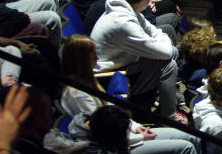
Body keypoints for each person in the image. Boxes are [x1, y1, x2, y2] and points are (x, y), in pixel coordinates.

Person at [62, 35, 199, 154]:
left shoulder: (90, 81)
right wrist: (141, 137)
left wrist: (137, 127)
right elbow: (104, 133)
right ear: (81, 60)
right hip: (117, 146)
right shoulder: (76, 94)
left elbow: (113, 113)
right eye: (93, 55)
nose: (97, 58)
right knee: (186, 147)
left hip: (129, 134)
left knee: (192, 137)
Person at [89, 0, 179, 118]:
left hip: (123, 64)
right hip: (109, 78)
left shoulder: (127, 9)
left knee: (171, 52)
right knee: (169, 65)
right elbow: (165, 51)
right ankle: (169, 118)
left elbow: (154, 31)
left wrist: (160, 46)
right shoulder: (123, 22)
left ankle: (173, 98)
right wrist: (160, 48)